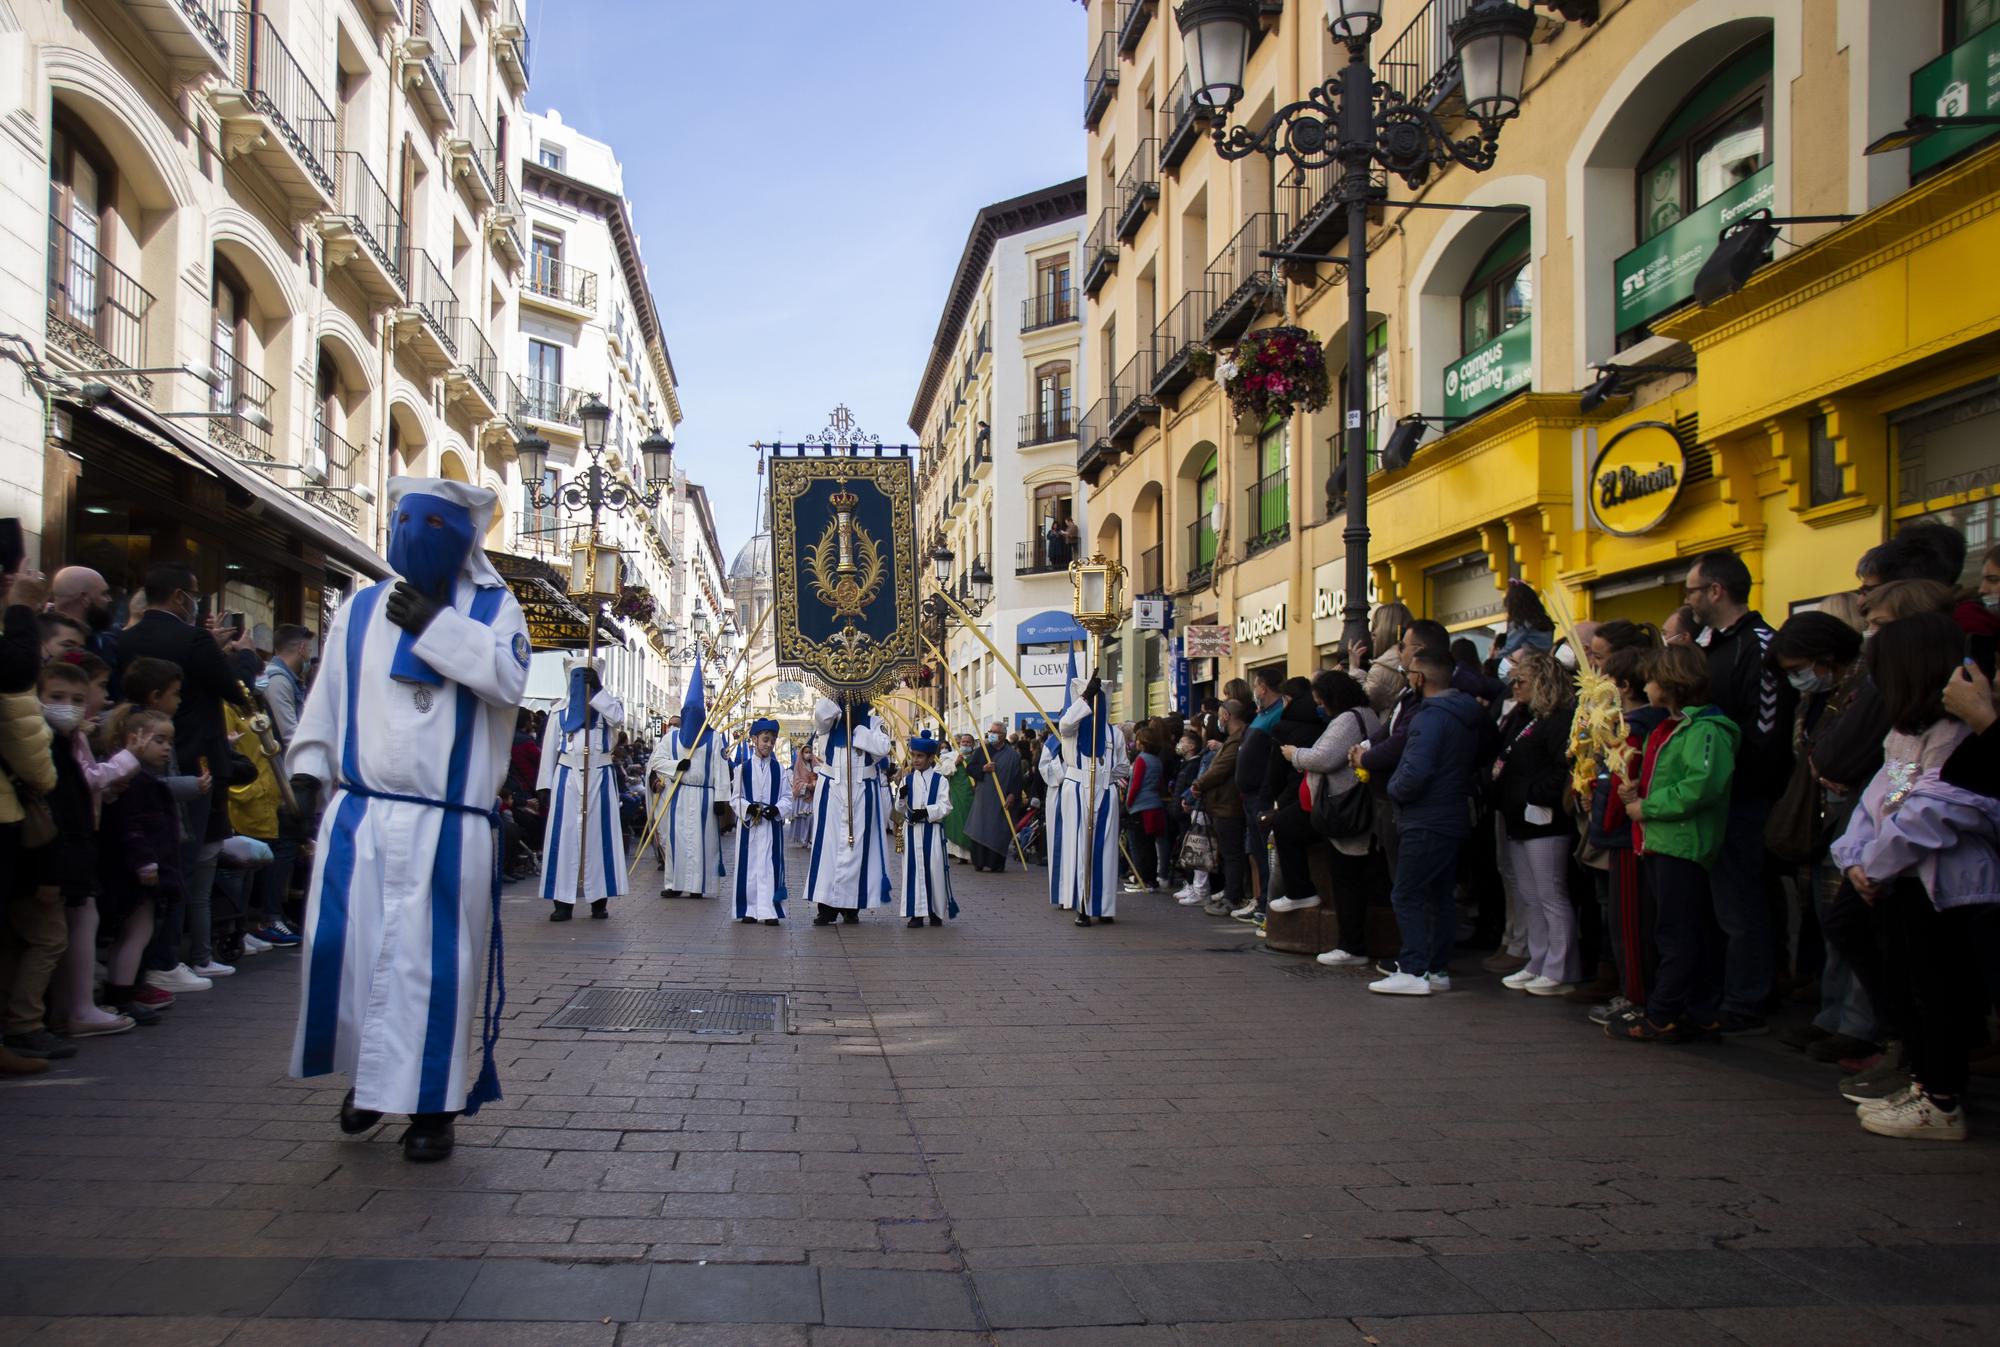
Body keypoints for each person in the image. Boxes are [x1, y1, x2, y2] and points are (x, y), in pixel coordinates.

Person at [287, 476, 531, 1163]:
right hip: (361, 814)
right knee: (355, 955)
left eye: (432, 524)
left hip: (446, 825)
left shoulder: (493, 608)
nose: (412, 532)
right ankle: (369, 1082)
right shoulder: (359, 608)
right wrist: (308, 766)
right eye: (403, 519)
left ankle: (433, 1103)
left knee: (434, 967)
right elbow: (328, 694)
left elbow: (507, 679)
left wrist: (434, 625)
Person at [1829, 612, 1996, 1139]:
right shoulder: (1905, 729)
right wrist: (1853, 857)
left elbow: (1937, 811)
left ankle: (1941, 1099)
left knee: (1938, 992)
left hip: (1943, 887)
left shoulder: (1959, 732)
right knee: (1909, 984)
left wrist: (1874, 864)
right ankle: (1926, 1084)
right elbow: (1878, 797)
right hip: (1896, 878)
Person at [117, 561, 248, 992]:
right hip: (195, 763)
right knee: (181, 859)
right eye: (194, 594)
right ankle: (167, 957)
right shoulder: (193, 640)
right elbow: (232, 688)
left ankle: (142, 960)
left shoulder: (127, 639)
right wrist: (216, 653)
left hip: (133, 756)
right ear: (179, 597)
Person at [1684, 548, 1792, 1035]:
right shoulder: (1710, 645)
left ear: (1716, 590)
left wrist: (1726, 783)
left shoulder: (1761, 644)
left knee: (1743, 903)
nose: (1687, 599)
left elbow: (1765, 731)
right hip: (1708, 799)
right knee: (1715, 905)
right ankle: (1720, 990)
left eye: (1691, 589)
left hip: (1742, 799)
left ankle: (1748, 999)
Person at [1609, 643, 1740, 1043]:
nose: (1645, 687)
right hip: (1660, 841)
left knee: (1677, 931)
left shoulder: (1706, 731)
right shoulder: (1669, 728)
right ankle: (1697, 1009)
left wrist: (1647, 807)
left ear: (1670, 683)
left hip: (1682, 843)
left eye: (1650, 680)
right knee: (1682, 928)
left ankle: (1664, 1011)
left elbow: (1700, 787)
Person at [1371, 646, 1487, 997]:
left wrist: (1394, 788)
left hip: (1426, 816)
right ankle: (1436, 967)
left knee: (1407, 894)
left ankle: (1413, 968)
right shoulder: (1468, 713)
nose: (1408, 681)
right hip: (1453, 813)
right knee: (1439, 896)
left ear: (1419, 678)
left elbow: (1415, 771)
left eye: (1409, 675)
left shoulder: (1429, 717)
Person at [1585, 647, 1670, 1025]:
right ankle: (1634, 992)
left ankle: (1637, 996)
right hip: (1622, 831)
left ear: (1622, 685)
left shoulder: (1635, 728)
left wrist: (1604, 822)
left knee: (1630, 923)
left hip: (1626, 835)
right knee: (1626, 920)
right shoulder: (1632, 724)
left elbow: (1623, 779)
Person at [1492, 652, 1582, 995]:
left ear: (1542, 682)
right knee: (1531, 895)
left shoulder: (1558, 721)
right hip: (1520, 817)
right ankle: (1538, 959)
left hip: (1544, 820)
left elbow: (1562, 769)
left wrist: (1534, 794)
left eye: (1521, 681)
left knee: (1550, 894)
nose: (1514, 688)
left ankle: (1560, 968)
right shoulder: (1528, 718)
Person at [1283, 670, 1384, 966]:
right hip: (1359, 805)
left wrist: (1295, 754)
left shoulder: (1347, 720)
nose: (1319, 708)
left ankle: (1351, 946)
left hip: (1345, 809)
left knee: (1346, 878)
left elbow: (1324, 757)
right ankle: (1352, 943)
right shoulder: (1367, 714)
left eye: (1320, 701)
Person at [537, 658, 626, 921]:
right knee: (564, 838)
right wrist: (544, 784)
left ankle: (599, 899)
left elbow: (618, 718)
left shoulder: (607, 708)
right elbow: (549, 749)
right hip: (567, 777)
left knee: (599, 838)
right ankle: (562, 900)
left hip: (600, 776)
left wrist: (598, 691)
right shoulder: (559, 712)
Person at [1045, 673, 1128, 926]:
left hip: (1105, 790)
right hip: (1078, 788)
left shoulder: (1115, 734)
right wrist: (1084, 699)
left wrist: (1105, 776)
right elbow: (1065, 724)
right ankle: (1083, 903)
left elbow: (1124, 766)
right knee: (1081, 847)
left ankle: (1103, 905)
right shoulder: (1074, 729)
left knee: (1105, 850)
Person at [805, 696, 893, 924]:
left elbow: (883, 747)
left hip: (862, 791)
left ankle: (851, 905)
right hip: (833, 791)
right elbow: (820, 717)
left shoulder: (873, 722)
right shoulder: (832, 719)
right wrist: (836, 697)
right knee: (829, 848)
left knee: (858, 849)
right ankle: (826, 906)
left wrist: (857, 729)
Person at [648, 665, 725, 901]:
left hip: (704, 795)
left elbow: (720, 770)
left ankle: (697, 885)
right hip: (679, 794)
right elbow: (656, 761)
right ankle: (673, 883)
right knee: (676, 840)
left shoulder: (714, 738)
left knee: (702, 842)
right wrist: (675, 767)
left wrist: (721, 798)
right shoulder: (671, 738)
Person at [730, 719, 794, 925]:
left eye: (772, 741)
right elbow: (735, 798)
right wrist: (748, 808)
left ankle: (770, 910)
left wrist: (777, 809)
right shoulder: (742, 769)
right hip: (750, 825)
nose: (768, 744)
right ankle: (748, 908)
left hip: (770, 825)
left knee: (769, 866)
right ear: (754, 739)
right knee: (749, 866)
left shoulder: (780, 770)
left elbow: (787, 798)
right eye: (765, 740)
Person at [898, 735, 957, 928]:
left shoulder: (940, 781)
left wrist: (927, 812)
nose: (915, 760)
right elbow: (898, 809)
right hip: (912, 832)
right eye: (913, 755)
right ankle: (916, 913)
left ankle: (935, 912)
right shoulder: (906, 780)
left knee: (934, 870)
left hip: (932, 831)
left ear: (931, 758)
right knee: (913, 871)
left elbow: (946, 806)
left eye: (920, 756)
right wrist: (901, 798)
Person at [1194, 702, 1246, 917]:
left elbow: (1220, 768)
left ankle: (1233, 897)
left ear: (1226, 715)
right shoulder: (1233, 740)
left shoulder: (1236, 741)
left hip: (1228, 804)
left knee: (1232, 853)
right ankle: (1231, 892)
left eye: (1221, 716)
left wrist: (1199, 785)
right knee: (1227, 853)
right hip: (1222, 803)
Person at [963, 719, 1023, 872]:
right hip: (983, 799)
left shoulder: (1013, 756)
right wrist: (983, 768)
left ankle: (995, 863)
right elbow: (970, 768)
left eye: (995, 732)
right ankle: (979, 862)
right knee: (979, 827)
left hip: (1001, 799)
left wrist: (1012, 795)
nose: (992, 735)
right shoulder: (982, 750)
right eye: (991, 732)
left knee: (998, 829)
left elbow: (1017, 778)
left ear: (1003, 735)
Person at [1123, 721, 1169, 893]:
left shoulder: (1141, 760)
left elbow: (1135, 784)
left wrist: (1128, 803)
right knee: (1150, 845)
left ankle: (1144, 879)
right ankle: (1150, 879)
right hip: (1154, 805)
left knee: (1141, 846)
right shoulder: (1156, 760)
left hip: (1140, 807)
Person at [943, 730, 974, 862]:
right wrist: (956, 762)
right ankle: (960, 855)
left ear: (973, 744)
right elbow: (943, 771)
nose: (965, 744)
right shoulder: (951, 756)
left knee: (969, 822)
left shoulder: (977, 756)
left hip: (971, 795)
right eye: (963, 742)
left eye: (968, 742)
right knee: (957, 822)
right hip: (956, 795)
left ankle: (971, 854)